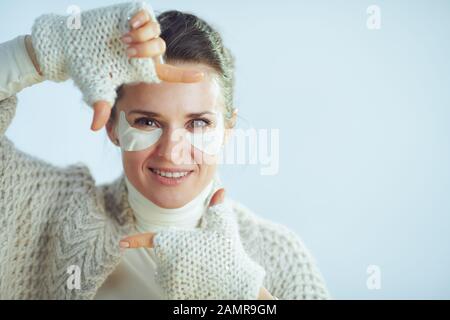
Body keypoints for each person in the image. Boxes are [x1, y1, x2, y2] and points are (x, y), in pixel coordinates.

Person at [0, 1, 330, 300]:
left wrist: (246, 299)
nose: (172, 153)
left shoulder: (279, 256)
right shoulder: (47, 210)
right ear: (114, 126)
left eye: (198, 123)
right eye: (147, 122)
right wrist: (40, 51)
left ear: (227, 131)